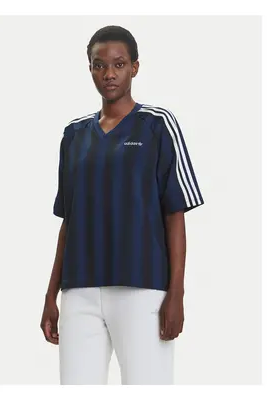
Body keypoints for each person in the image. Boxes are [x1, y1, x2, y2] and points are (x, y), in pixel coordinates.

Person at [40, 25, 205, 385]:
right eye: (100, 65)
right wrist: (52, 294)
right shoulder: (74, 135)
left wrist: (176, 293)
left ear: (135, 67)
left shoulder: (157, 125)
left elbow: (174, 214)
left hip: (142, 289)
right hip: (79, 291)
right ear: (90, 69)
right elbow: (69, 221)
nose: (109, 74)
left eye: (119, 64)